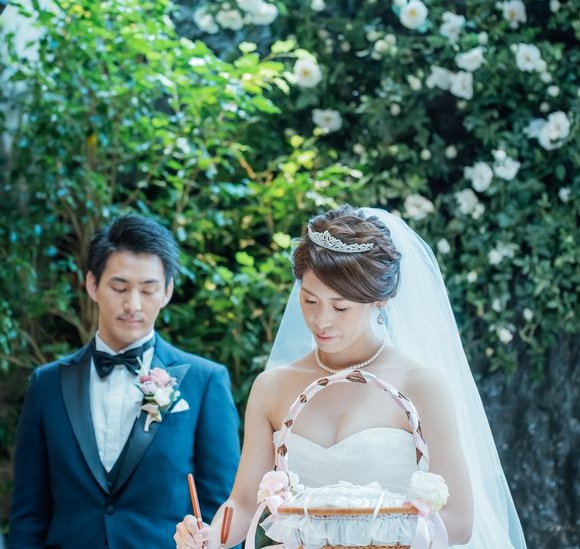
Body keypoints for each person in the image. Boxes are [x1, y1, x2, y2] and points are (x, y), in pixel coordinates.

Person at [175, 205, 527, 549]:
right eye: (310, 300)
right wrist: (208, 537)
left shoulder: (421, 386)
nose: (322, 321)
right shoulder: (272, 387)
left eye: (340, 307)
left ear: (380, 301)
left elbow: (459, 520)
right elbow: (244, 503)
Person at [9, 215, 240, 549]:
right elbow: (28, 516)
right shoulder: (47, 384)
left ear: (167, 291)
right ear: (92, 285)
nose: (133, 304)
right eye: (119, 288)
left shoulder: (205, 382)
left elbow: (224, 513)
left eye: (148, 290)